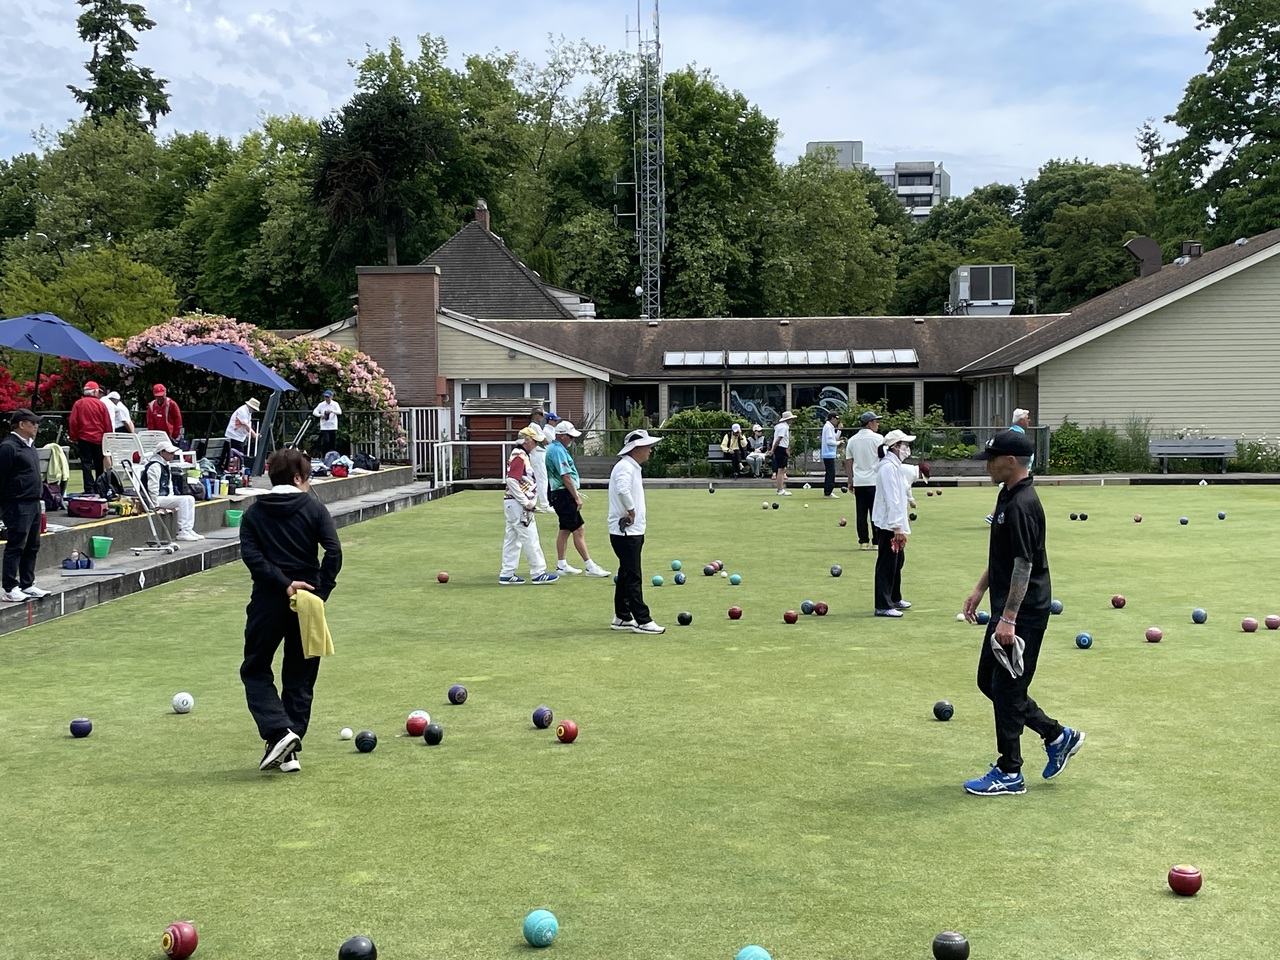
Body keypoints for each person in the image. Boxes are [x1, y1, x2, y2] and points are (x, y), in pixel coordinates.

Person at [962, 429, 1084, 796]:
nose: (987, 466)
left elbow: (1023, 563)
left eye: (991, 459)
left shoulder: (1023, 504)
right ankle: (1057, 735)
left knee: (1009, 687)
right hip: (1006, 607)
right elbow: (1002, 555)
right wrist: (980, 589)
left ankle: (1010, 771)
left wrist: (1010, 618)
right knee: (990, 682)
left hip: (1024, 611)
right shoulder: (1007, 495)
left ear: (1011, 462)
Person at [238, 447, 342, 773]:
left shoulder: (254, 513)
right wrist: (320, 592)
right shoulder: (314, 508)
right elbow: (334, 552)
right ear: (298, 477)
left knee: (256, 669)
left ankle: (280, 736)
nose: (309, 483)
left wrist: (283, 584)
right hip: (308, 602)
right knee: (300, 676)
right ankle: (289, 738)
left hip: (268, 600)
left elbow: (253, 558)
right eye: (308, 477)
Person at [608, 428, 665, 634]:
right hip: (626, 531)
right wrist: (631, 512)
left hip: (630, 531)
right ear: (636, 448)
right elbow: (622, 489)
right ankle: (643, 620)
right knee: (633, 575)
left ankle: (622, 616)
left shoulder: (630, 467)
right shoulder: (625, 468)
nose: (650, 450)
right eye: (647, 446)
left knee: (625, 573)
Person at [544, 420, 611, 578]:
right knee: (578, 528)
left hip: (558, 493)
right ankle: (590, 566)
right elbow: (565, 476)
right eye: (570, 437)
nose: (573, 440)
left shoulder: (556, 448)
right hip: (563, 494)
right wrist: (576, 497)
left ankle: (562, 565)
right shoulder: (558, 451)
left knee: (565, 529)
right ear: (561, 436)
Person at [0, 409, 52, 602]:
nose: (36, 426)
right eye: (33, 423)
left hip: (32, 502)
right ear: (22, 424)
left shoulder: (29, 445)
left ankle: (27, 584)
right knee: (16, 545)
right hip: (16, 503)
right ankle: (10, 587)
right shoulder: (8, 447)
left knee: (32, 545)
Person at [499, 426, 558, 585]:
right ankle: (538, 572)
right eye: (535, 442)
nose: (536, 445)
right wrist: (526, 502)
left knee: (513, 538)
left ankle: (507, 573)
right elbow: (511, 480)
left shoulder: (519, 454)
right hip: (519, 504)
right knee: (530, 537)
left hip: (513, 504)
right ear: (527, 440)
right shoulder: (520, 455)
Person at [871, 428, 915, 618]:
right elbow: (892, 498)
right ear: (895, 446)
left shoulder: (894, 465)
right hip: (889, 524)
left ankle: (895, 598)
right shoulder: (888, 467)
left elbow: (901, 492)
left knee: (898, 561)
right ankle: (882, 604)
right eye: (904, 445)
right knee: (887, 563)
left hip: (894, 522)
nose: (907, 448)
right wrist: (897, 526)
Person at [138, 439, 203, 542]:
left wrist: (171, 498)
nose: (173, 455)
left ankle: (188, 529)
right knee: (183, 501)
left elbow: (169, 485)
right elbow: (152, 488)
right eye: (170, 453)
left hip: (164, 497)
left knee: (190, 499)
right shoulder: (155, 466)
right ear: (162, 453)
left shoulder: (165, 465)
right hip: (154, 499)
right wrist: (154, 506)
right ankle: (182, 531)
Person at [987, 409, 1035, 524]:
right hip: (1018, 475)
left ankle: (995, 515)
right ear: (1021, 420)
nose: (1029, 420)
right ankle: (995, 515)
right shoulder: (1014, 436)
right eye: (1027, 418)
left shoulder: (1016, 434)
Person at [845, 411, 882, 551]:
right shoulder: (878, 439)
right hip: (874, 481)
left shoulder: (852, 440)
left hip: (859, 481)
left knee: (861, 512)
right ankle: (877, 542)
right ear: (869, 423)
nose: (877, 424)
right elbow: (883, 459)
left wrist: (850, 481)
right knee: (876, 512)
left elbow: (848, 462)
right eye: (876, 421)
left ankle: (863, 542)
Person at [69, 381, 113, 492]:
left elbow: (73, 422)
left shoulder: (78, 404)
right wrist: (108, 438)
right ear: (95, 391)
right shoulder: (101, 404)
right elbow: (107, 423)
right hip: (99, 438)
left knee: (86, 464)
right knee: (99, 464)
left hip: (84, 438)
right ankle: (100, 487)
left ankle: (89, 488)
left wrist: (73, 436)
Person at [528, 408, 554, 512]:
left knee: (537, 480)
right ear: (536, 415)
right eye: (542, 415)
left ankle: (533, 503)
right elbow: (545, 441)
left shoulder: (532, 426)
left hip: (536, 454)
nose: (543, 418)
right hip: (538, 453)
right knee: (542, 479)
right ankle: (544, 504)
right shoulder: (535, 426)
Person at [224, 397, 260, 468]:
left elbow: (247, 426)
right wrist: (254, 434)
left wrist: (248, 435)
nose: (254, 411)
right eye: (254, 409)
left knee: (238, 454)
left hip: (239, 436)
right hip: (233, 435)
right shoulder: (242, 411)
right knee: (238, 454)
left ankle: (237, 468)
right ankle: (237, 469)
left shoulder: (248, 412)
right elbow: (245, 425)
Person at [769, 410, 796, 496]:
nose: (791, 420)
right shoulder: (784, 427)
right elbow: (779, 439)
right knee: (781, 470)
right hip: (780, 448)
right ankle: (780, 490)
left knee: (782, 469)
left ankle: (780, 488)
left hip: (781, 448)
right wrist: (773, 449)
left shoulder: (779, 426)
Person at [312, 390, 342, 455]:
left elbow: (340, 412)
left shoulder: (335, 404)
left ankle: (333, 455)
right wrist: (320, 415)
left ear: (331, 397)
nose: (327, 398)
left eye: (328, 397)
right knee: (326, 441)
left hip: (332, 425)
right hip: (324, 426)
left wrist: (332, 411)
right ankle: (325, 454)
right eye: (325, 397)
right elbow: (314, 412)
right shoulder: (321, 404)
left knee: (332, 442)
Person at [821, 410, 842, 498]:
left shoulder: (830, 427)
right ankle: (828, 492)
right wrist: (838, 443)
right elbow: (829, 441)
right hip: (828, 453)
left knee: (830, 473)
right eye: (836, 419)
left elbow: (835, 437)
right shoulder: (828, 427)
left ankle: (828, 491)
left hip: (830, 453)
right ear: (832, 418)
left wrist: (840, 430)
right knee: (831, 473)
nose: (837, 421)